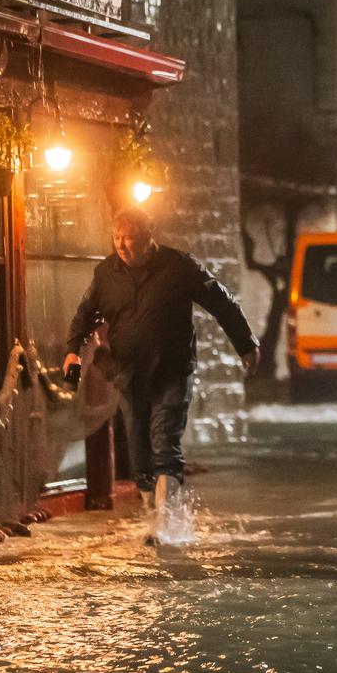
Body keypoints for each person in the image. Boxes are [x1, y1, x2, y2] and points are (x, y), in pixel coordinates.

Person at [64, 207, 259, 516]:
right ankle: (150, 513)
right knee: (139, 445)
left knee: (165, 442)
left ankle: (166, 521)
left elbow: (222, 303)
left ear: (147, 236)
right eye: (116, 238)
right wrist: (73, 350)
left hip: (172, 369)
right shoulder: (105, 274)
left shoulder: (180, 267)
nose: (121, 246)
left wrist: (246, 344)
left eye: (128, 238)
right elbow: (85, 313)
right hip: (128, 372)